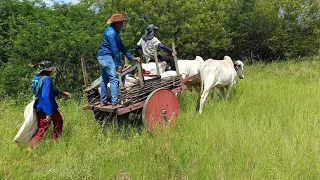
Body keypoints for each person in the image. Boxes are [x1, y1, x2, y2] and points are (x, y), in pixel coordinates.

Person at [97, 13, 140, 108]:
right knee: (114, 79)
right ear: (117, 23)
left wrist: (132, 58)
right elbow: (115, 49)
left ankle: (103, 101)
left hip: (102, 57)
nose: (122, 26)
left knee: (104, 80)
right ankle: (114, 103)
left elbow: (122, 47)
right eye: (121, 23)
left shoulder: (113, 32)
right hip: (107, 57)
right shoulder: (111, 33)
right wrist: (118, 64)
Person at [29, 61, 72, 149]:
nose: (51, 72)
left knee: (42, 127)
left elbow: (48, 92)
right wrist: (48, 113)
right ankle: (54, 141)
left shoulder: (36, 78)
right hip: (48, 107)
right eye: (50, 70)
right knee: (58, 122)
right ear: (46, 71)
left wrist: (61, 92)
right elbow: (45, 96)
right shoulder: (47, 79)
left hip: (39, 106)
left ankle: (31, 148)